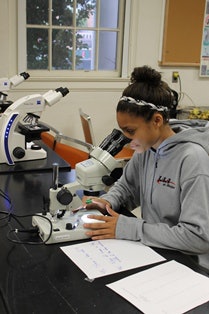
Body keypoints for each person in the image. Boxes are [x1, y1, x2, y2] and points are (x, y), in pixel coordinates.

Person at [83, 65, 209, 255]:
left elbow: (198, 237)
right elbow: (127, 187)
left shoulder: (192, 159)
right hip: (153, 249)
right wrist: (107, 201)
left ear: (157, 121)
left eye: (130, 131)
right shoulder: (145, 148)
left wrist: (130, 228)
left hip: (186, 262)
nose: (126, 138)